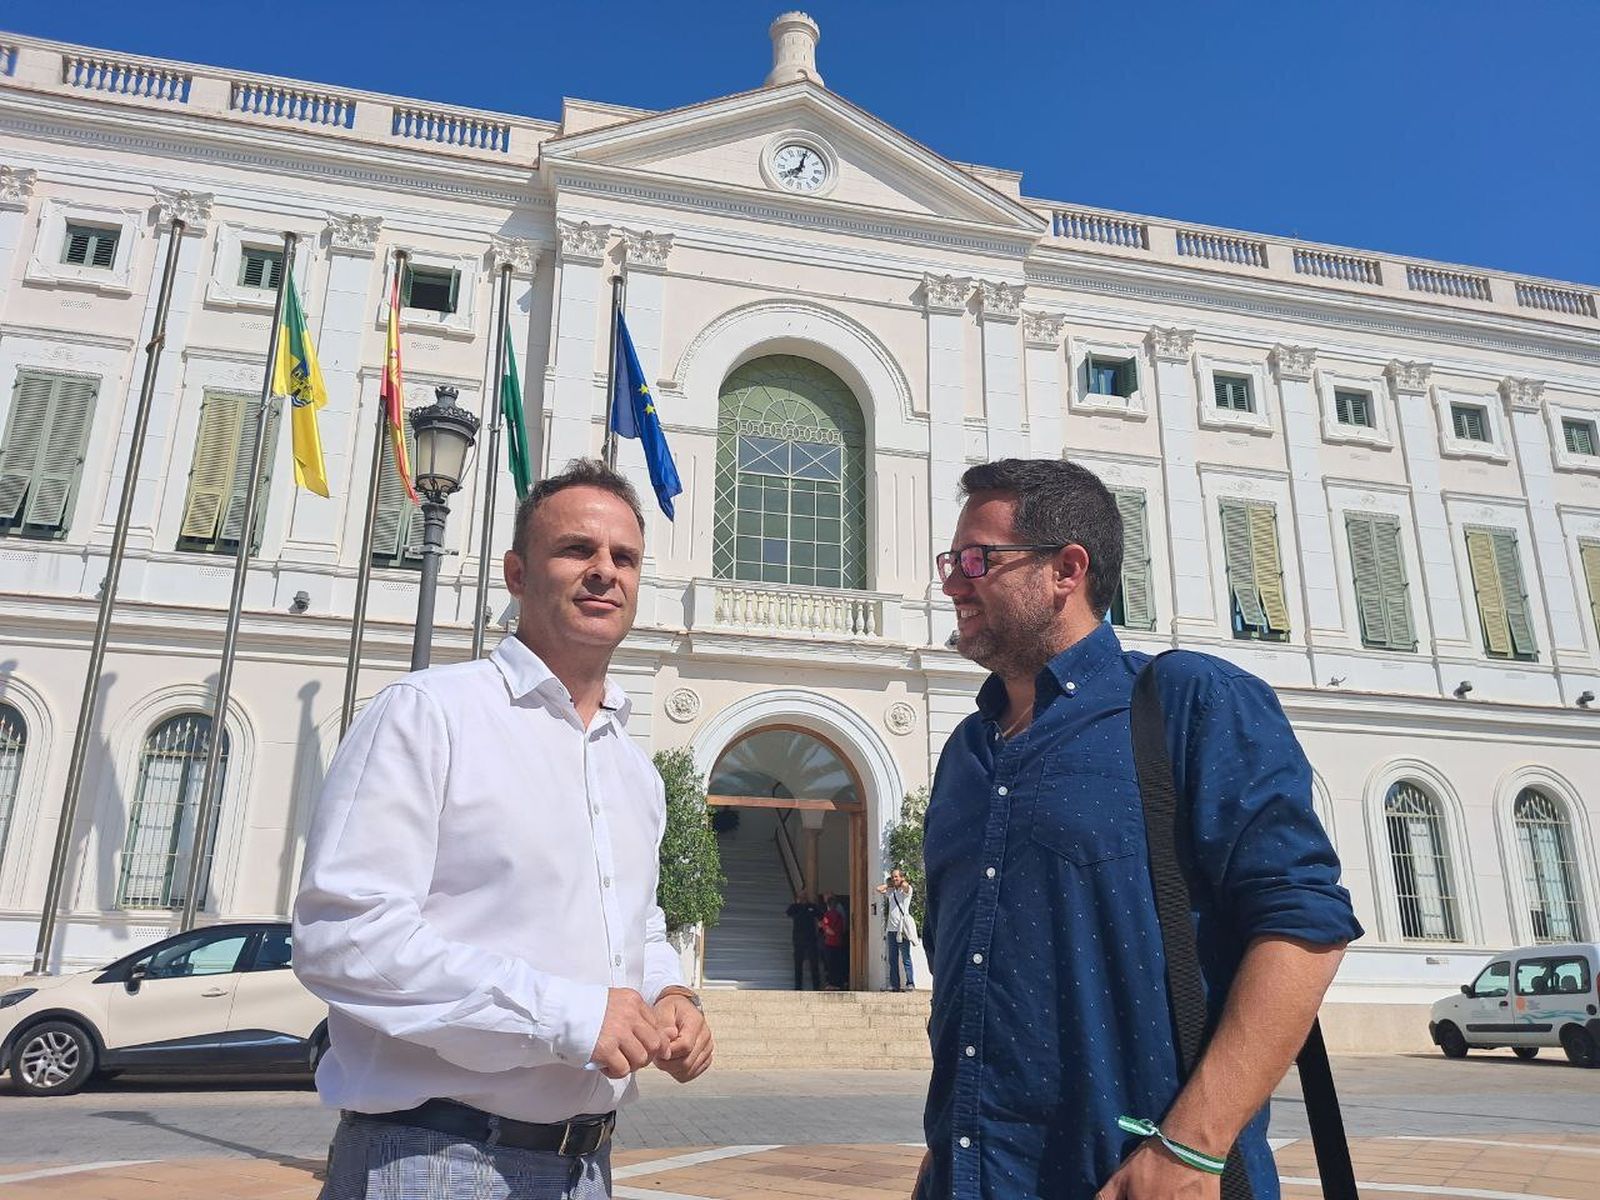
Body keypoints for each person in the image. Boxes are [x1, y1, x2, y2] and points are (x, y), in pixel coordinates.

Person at [916, 459, 1362, 1200]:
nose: (953, 582)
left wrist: (1192, 1149)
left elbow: (1304, 925)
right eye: (951, 561)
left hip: (1139, 1179)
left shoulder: (1189, 704)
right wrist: (950, 1144)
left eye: (977, 560)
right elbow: (964, 967)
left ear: (1067, 569)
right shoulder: (967, 751)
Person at [294, 460, 714, 1200]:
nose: (603, 572)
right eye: (576, 550)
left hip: (586, 1168)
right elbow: (345, 938)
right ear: (518, 574)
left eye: (624, 558)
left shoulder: (634, 771)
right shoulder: (429, 714)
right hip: (435, 1158)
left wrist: (670, 993)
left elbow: (631, 922)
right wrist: (570, 1015)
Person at [876, 869, 916, 992]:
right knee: (892, 959)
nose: (894, 879)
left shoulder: (905, 892)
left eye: (896, 877)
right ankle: (895, 985)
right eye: (893, 877)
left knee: (906, 957)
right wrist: (890, 884)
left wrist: (900, 881)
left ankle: (910, 983)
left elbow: (906, 887)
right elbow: (879, 889)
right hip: (891, 930)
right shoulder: (891, 892)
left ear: (902, 877)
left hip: (902, 929)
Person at [785, 893, 824, 990]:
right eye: (801, 897)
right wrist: (798, 904)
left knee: (813, 963)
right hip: (798, 939)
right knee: (798, 963)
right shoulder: (795, 907)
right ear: (798, 898)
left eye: (804, 897)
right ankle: (798, 986)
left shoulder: (811, 907)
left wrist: (820, 926)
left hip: (810, 939)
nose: (802, 899)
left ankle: (816, 986)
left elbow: (821, 916)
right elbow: (788, 913)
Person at [820, 894, 848, 989]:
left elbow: (826, 927)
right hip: (838, 942)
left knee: (830, 964)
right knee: (838, 964)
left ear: (827, 905)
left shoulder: (827, 914)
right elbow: (841, 929)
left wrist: (823, 926)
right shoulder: (840, 916)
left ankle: (831, 983)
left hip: (829, 943)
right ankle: (839, 983)